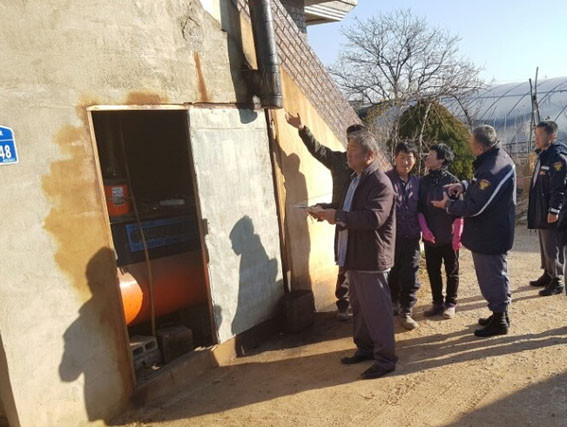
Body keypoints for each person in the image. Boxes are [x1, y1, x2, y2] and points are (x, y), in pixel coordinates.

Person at [314, 131, 397, 379]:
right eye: (347, 149)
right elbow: (347, 209)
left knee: (377, 311)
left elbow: (373, 218)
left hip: (371, 257)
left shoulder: (379, 183)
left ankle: (386, 359)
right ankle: (365, 348)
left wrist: (338, 216)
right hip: (354, 255)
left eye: (353, 150)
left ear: (369, 155)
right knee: (360, 308)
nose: (348, 154)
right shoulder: (356, 178)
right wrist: (325, 210)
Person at [432, 125, 516, 337]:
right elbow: (481, 188)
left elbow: (476, 206)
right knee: (495, 274)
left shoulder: (492, 168)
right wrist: (464, 185)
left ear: (480, 147)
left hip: (490, 234)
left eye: (471, 142)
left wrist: (448, 205)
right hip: (491, 231)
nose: (469, 145)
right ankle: (499, 313)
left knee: (492, 276)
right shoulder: (494, 159)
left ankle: (500, 319)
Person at [286, 111, 364, 321]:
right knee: (344, 262)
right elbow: (318, 150)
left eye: (358, 140)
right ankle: (344, 305)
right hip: (341, 219)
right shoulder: (339, 160)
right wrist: (303, 129)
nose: (353, 144)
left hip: (362, 221)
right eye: (350, 140)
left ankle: (363, 303)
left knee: (363, 263)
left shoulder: (370, 169)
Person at [418, 143, 463, 319]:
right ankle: (437, 303)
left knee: (452, 270)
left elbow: (460, 210)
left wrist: (457, 234)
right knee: (433, 269)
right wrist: (424, 229)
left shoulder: (452, 182)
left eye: (431, 154)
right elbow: (419, 208)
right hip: (431, 235)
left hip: (449, 236)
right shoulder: (423, 182)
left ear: (442, 160)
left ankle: (451, 303)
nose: (427, 157)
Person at [527, 120, 567, 296]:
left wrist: (554, 210)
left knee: (553, 243)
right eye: (535, 135)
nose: (536, 139)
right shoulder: (545, 153)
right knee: (544, 242)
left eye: (539, 135)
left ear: (551, 136)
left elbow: (559, 186)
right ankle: (548, 273)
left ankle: (557, 279)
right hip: (542, 206)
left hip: (552, 208)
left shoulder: (557, 156)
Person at [385, 142, 421, 330]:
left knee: (410, 275)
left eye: (409, 158)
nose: (406, 162)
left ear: (415, 160)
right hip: (391, 238)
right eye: (402, 157)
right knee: (393, 272)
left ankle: (406, 311)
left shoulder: (417, 183)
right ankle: (392, 303)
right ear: (395, 158)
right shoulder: (385, 179)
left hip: (412, 236)